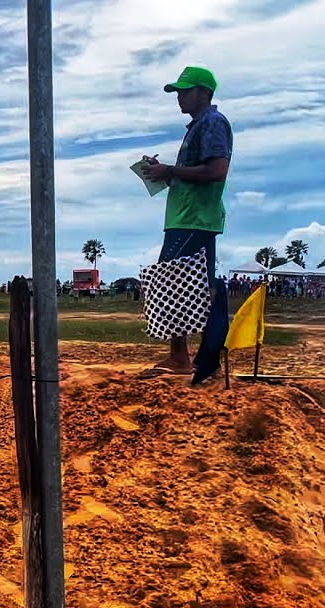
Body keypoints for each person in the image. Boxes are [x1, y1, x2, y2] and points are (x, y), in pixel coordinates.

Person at [141, 66, 233, 377]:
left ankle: (182, 357)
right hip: (190, 216)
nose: (179, 96)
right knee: (193, 288)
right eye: (178, 91)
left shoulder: (212, 124)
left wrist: (169, 171)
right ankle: (204, 358)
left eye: (185, 90)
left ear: (204, 93)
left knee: (173, 284)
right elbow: (199, 173)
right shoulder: (199, 126)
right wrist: (164, 172)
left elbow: (217, 171)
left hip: (192, 217)